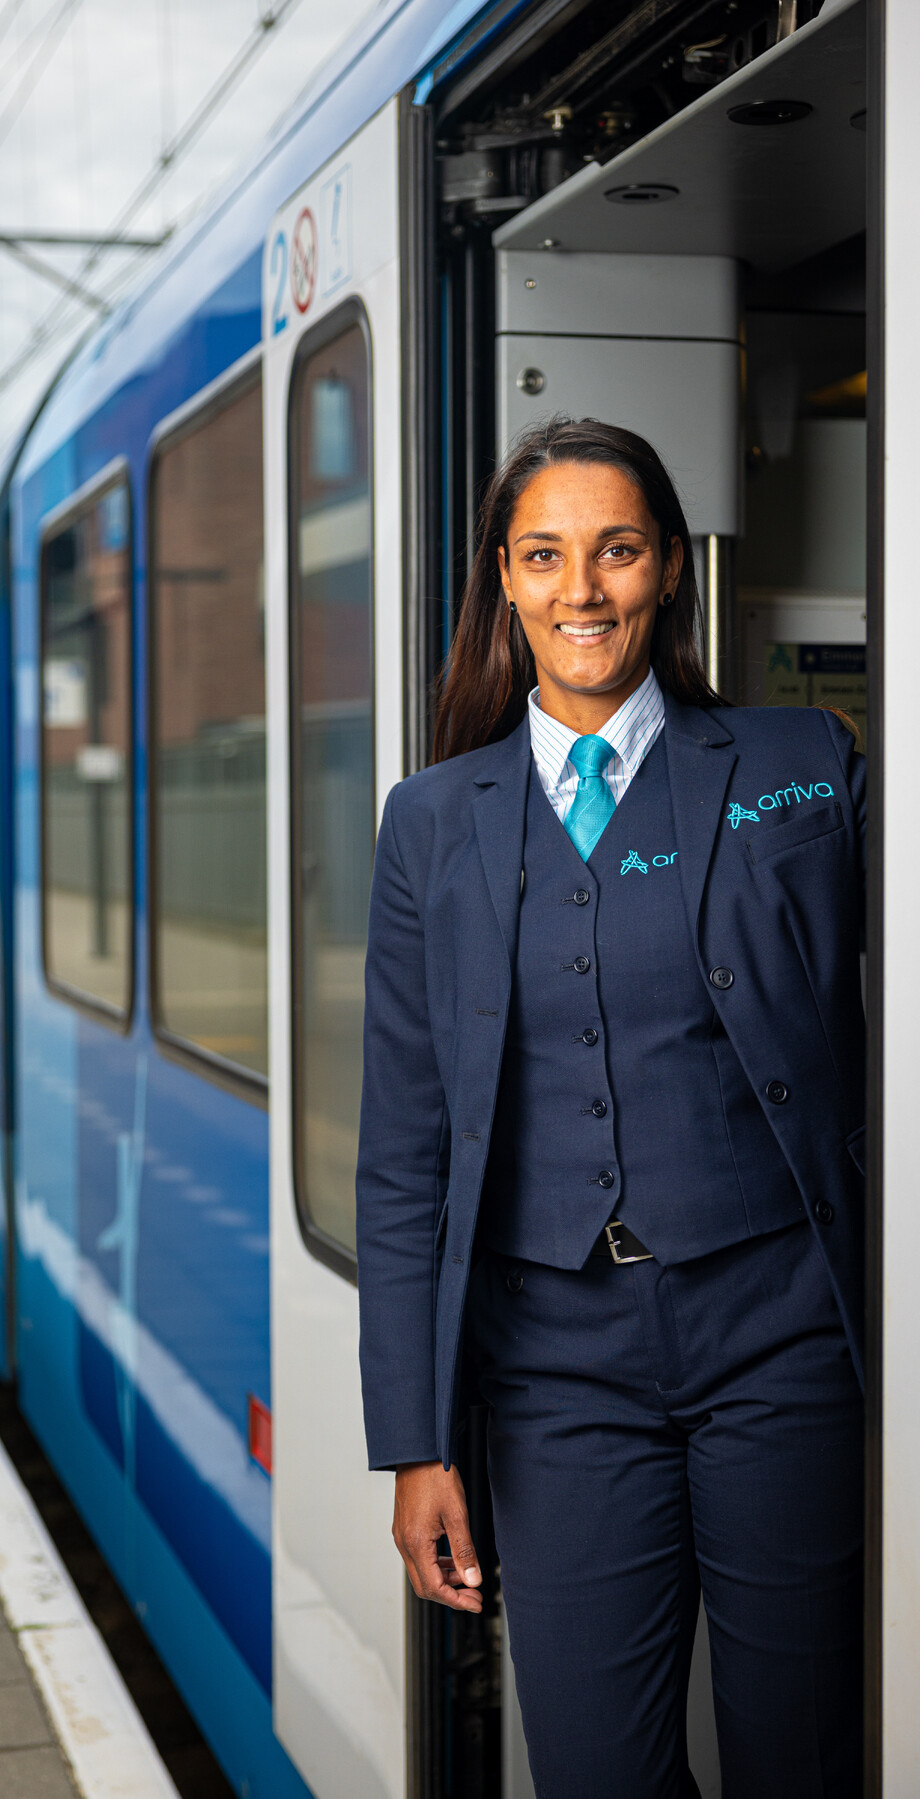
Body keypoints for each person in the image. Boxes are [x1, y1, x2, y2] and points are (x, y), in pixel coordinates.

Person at [356, 417, 865, 1798]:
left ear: (671, 572)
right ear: (505, 582)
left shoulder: (800, 766)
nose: (583, 590)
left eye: (618, 550)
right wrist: (415, 1443)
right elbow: (404, 1152)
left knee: (804, 1758)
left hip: (781, 1342)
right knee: (596, 1773)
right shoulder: (431, 822)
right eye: (546, 556)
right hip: (554, 1371)